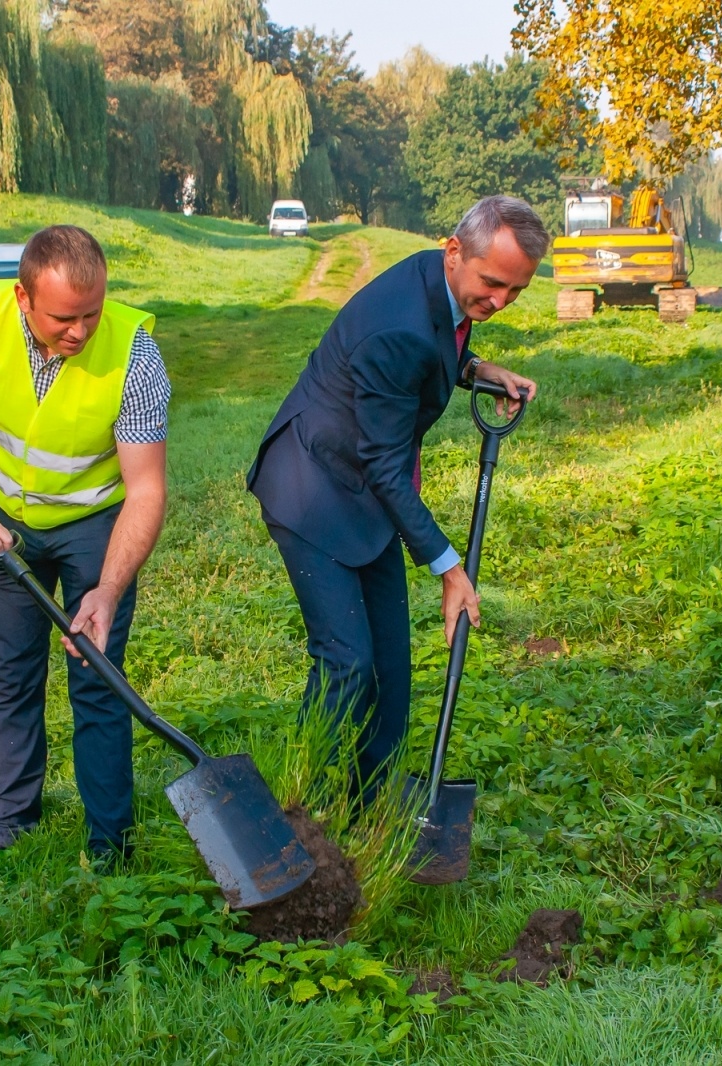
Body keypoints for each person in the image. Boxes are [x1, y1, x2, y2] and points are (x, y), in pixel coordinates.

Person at [247, 195, 545, 805]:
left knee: (389, 672)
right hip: (312, 489)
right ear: (455, 251)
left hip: (364, 495)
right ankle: (294, 810)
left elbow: (438, 345)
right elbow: (386, 463)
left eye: (516, 291)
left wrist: (480, 370)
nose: (499, 302)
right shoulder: (397, 327)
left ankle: (371, 805)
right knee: (347, 663)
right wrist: (450, 569)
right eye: (493, 284)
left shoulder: (437, 283)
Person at [0, 225, 170, 862]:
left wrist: (108, 590)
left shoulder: (135, 355)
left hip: (94, 525)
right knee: (13, 673)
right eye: (63, 318)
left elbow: (146, 491)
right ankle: (10, 824)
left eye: (91, 314)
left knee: (97, 677)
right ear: (24, 297)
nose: (80, 331)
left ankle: (110, 843)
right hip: (0, 516)